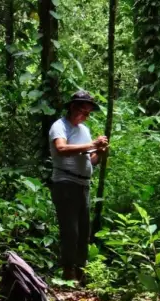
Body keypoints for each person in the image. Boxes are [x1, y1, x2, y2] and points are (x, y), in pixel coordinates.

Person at [49, 90, 108, 284]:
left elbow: (90, 159)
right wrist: (92, 143)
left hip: (83, 185)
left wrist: (99, 151)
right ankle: (68, 273)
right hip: (66, 183)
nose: (86, 116)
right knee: (70, 231)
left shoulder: (84, 130)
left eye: (89, 112)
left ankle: (81, 273)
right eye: (84, 111)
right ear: (73, 107)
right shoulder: (60, 126)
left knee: (84, 232)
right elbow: (62, 149)